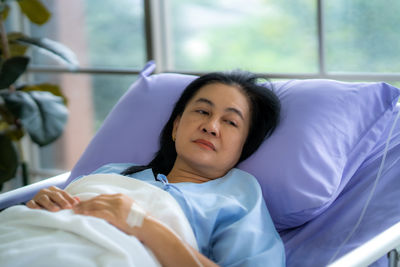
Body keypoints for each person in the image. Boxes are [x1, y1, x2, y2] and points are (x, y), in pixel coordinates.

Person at [25, 70, 285, 266]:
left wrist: (141, 223)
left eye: (230, 122)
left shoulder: (238, 195)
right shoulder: (113, 172)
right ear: (175, 127)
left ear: (245, 145)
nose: (211, 126)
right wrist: (42, 204)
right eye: (202, 111)